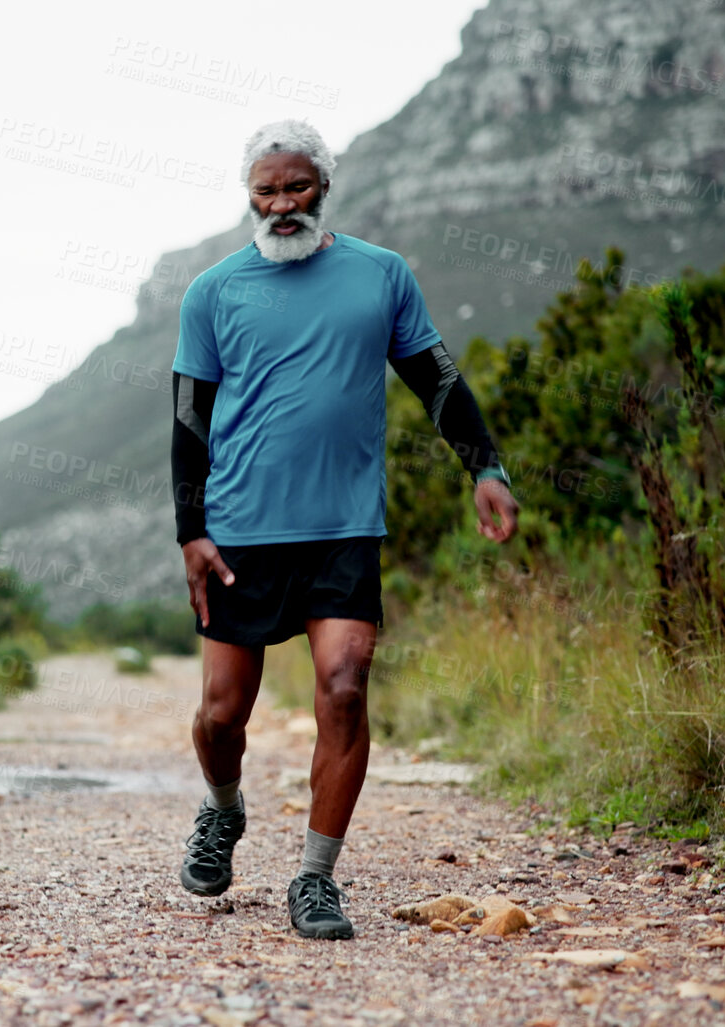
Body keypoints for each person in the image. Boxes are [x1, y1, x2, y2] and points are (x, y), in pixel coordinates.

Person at [167, 119, 519, 940]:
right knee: (221, 714)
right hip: (238, 531)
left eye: (296, 188)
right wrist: (191, 529)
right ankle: (222, 810)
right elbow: (188, 419)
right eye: (265, 190)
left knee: (345, 689)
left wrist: (485, 467)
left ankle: (315, 879)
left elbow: (435, 380)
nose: (281, 204)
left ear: (323, 186)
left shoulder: (380, 275)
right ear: (247, 194)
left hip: (343, 529)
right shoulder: (212, 291)